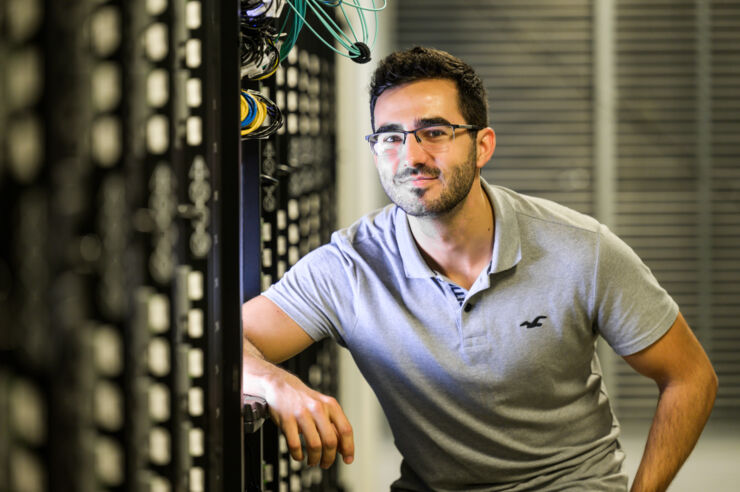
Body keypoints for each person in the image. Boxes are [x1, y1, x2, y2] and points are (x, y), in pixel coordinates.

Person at [242, 46, 718, 491]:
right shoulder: (351, 265)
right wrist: (274, 383)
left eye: (435, 132)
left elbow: (690, 377)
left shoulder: (581, 249)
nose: (411, 156)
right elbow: (224, 341)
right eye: (390, 137)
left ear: (482, 145)